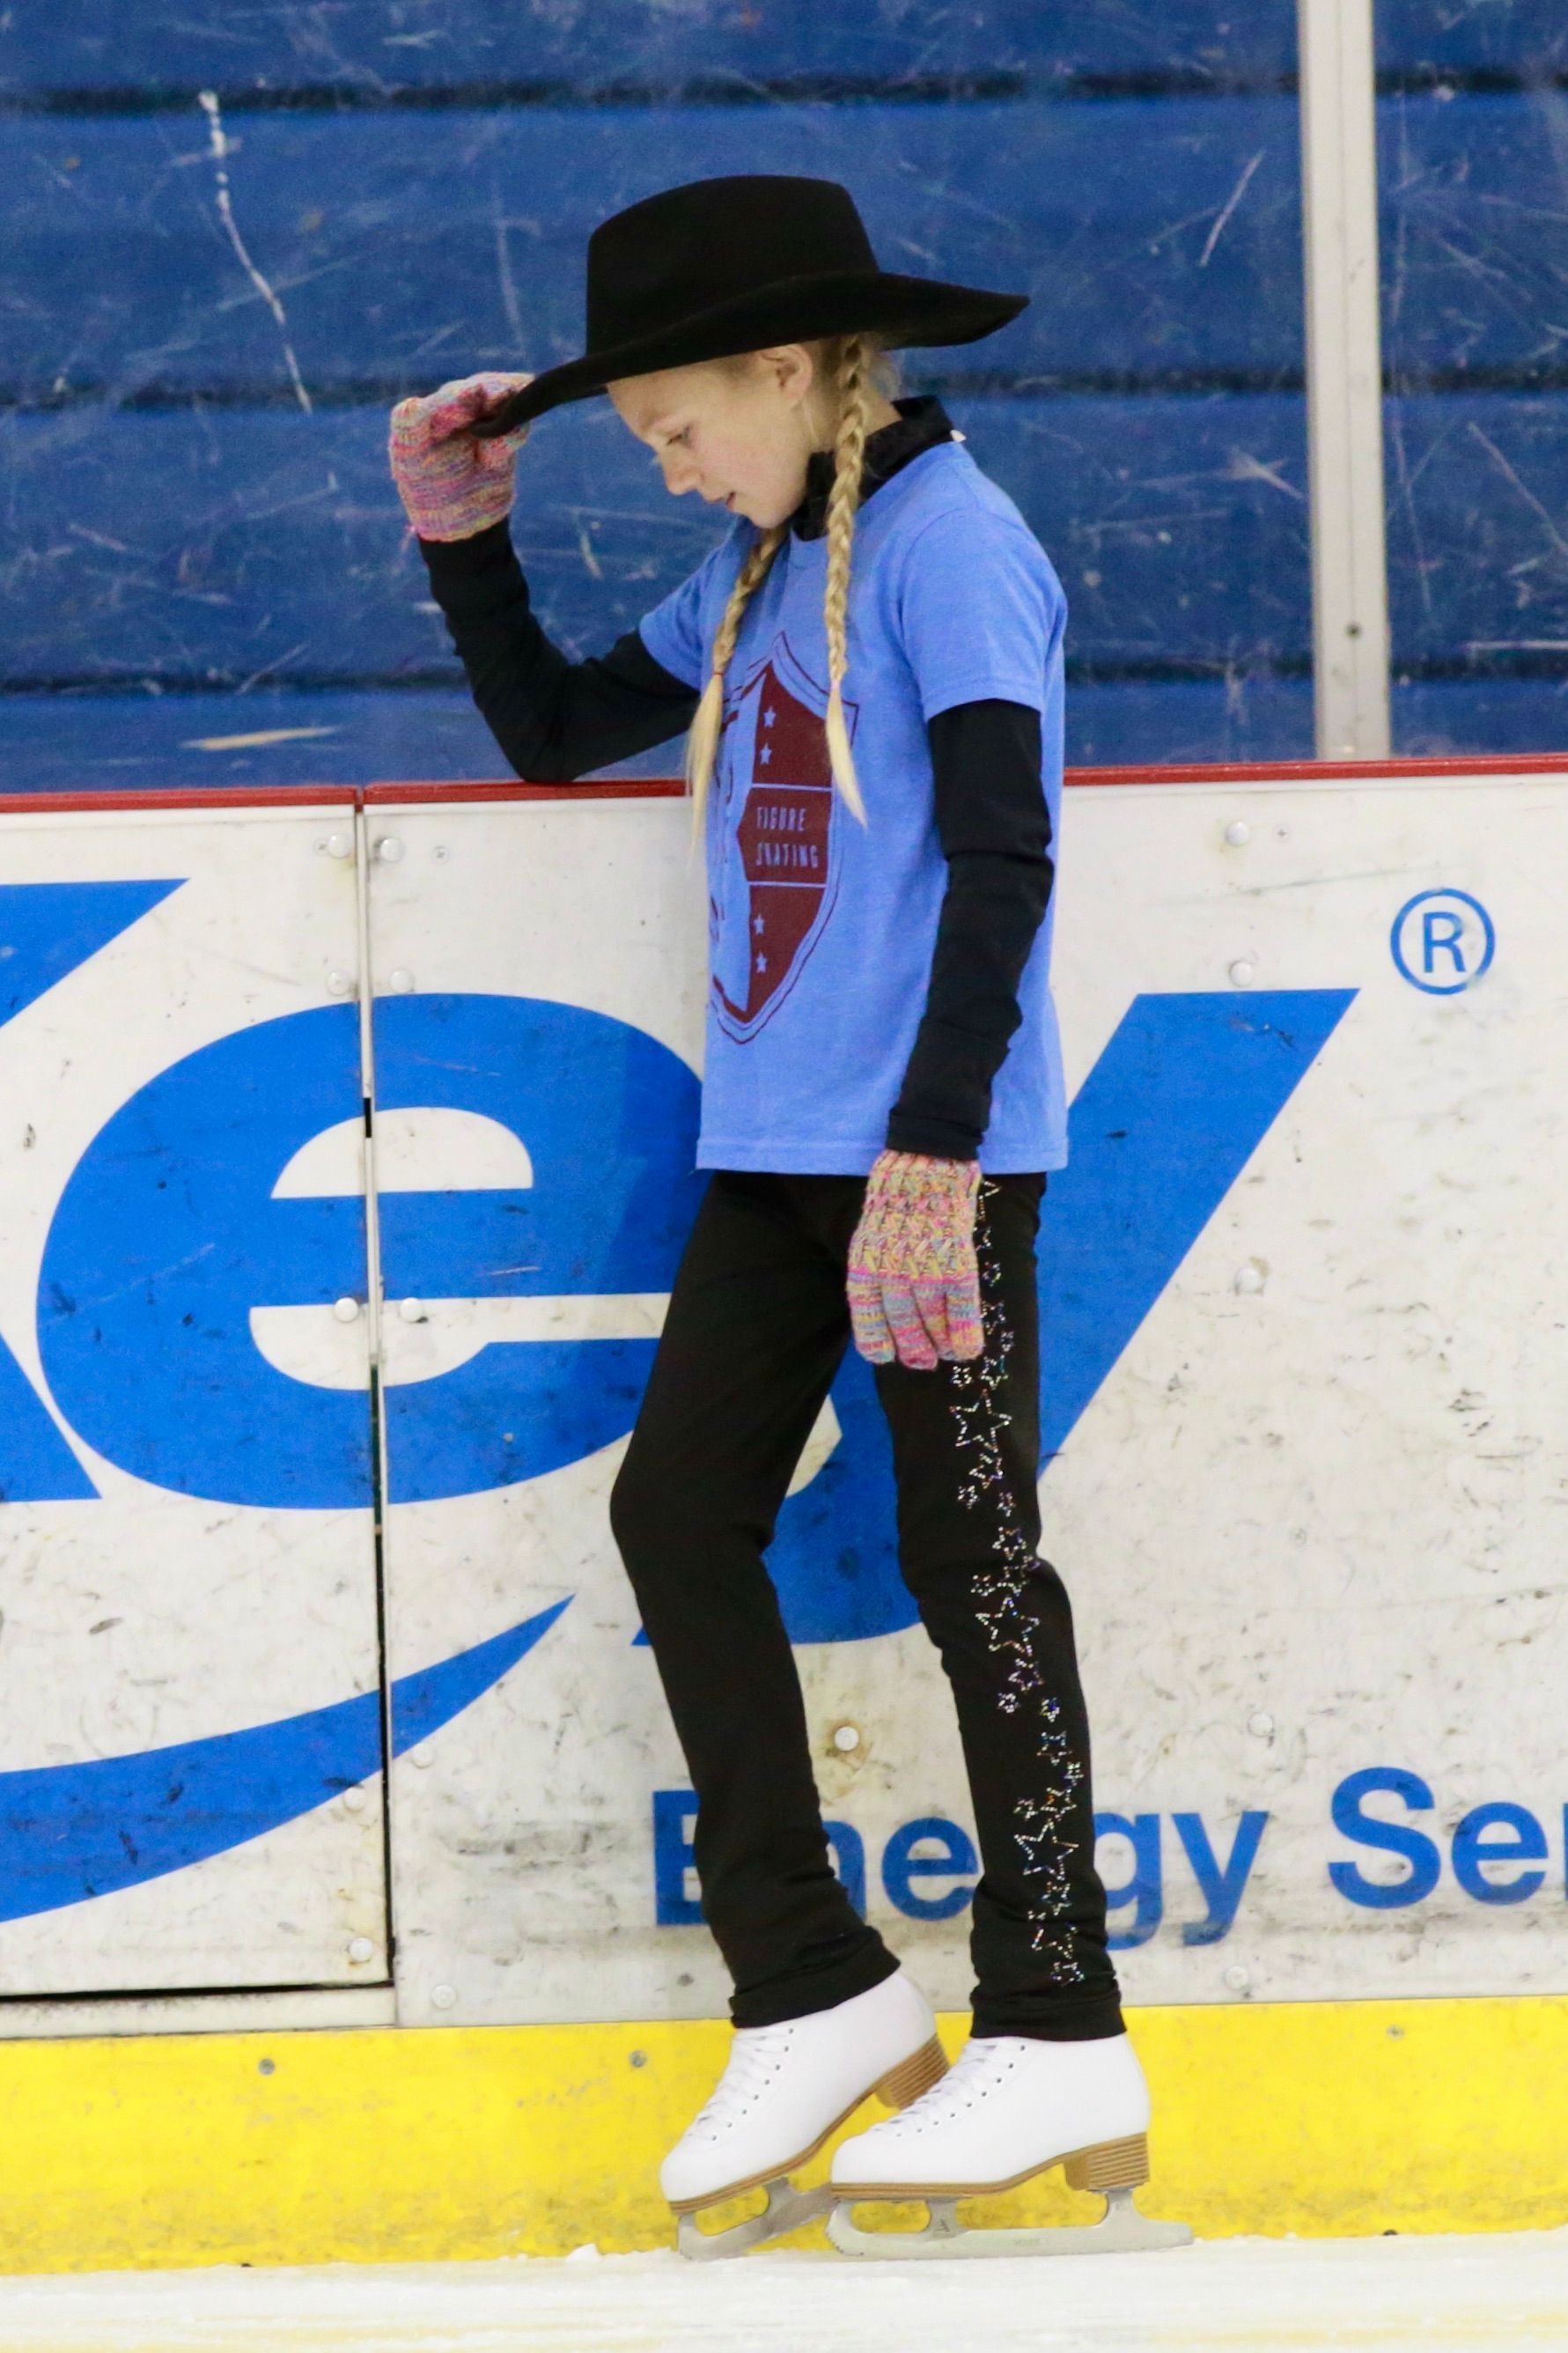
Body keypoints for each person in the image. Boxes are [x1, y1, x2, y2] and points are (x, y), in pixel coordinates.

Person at [389, 173, 1167, 2260]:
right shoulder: (759, 567)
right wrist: (468, 538)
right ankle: (814, 1978)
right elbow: (557, 736)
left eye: (678, 423)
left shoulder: (952, 548)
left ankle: (1063, 2011)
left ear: (802, 365)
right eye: (639, 438)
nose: (667, 462)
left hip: (929, 1155)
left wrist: (932, 1149)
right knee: (678, 1516)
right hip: (780, 1156)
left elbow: (1007, 859)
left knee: (966, 1548)